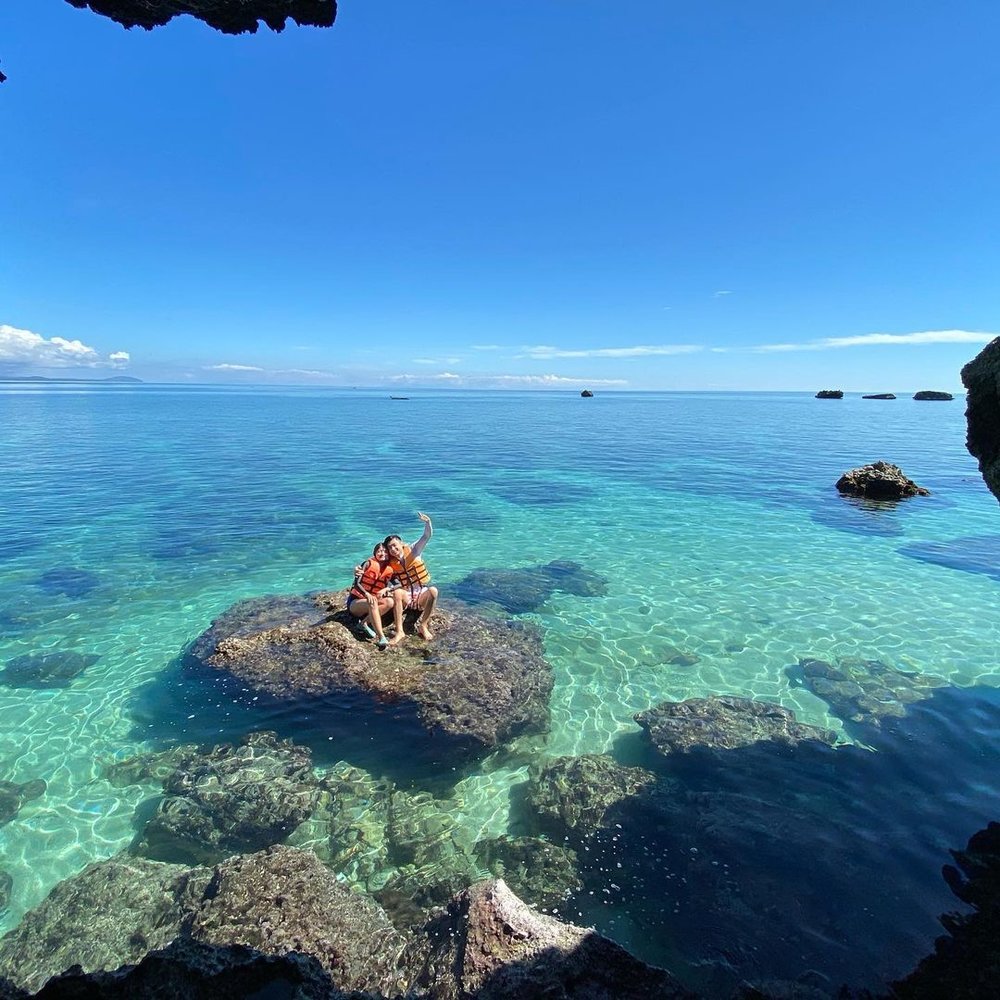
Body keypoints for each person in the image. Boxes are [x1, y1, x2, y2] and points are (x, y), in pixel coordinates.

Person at [384, 511, 439, 640]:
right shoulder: (390, 562)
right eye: (389, 548)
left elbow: (426, 536)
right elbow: (375, 561)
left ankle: (423, 626)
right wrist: (358, 569)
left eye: (394, 545)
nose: (392, 549)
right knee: (397, 592)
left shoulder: (414, 550)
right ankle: (399, 631)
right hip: (406, 596)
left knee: (433, 591)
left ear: (401, 543)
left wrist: (427, 522)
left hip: (421, 594)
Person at [346, 542, 406, 648]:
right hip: (355, 603)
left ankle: (363, 624)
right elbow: (357, 583)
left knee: (390, 602)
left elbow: (399, 584)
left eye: (385, 551)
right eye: (379, 551)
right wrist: (367, 594)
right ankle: (381, 637)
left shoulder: (389, 569)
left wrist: (387, 588)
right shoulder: (367, 564)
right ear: (375, 553)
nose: (382, 553)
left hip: (370, 603)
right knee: (372, 601)